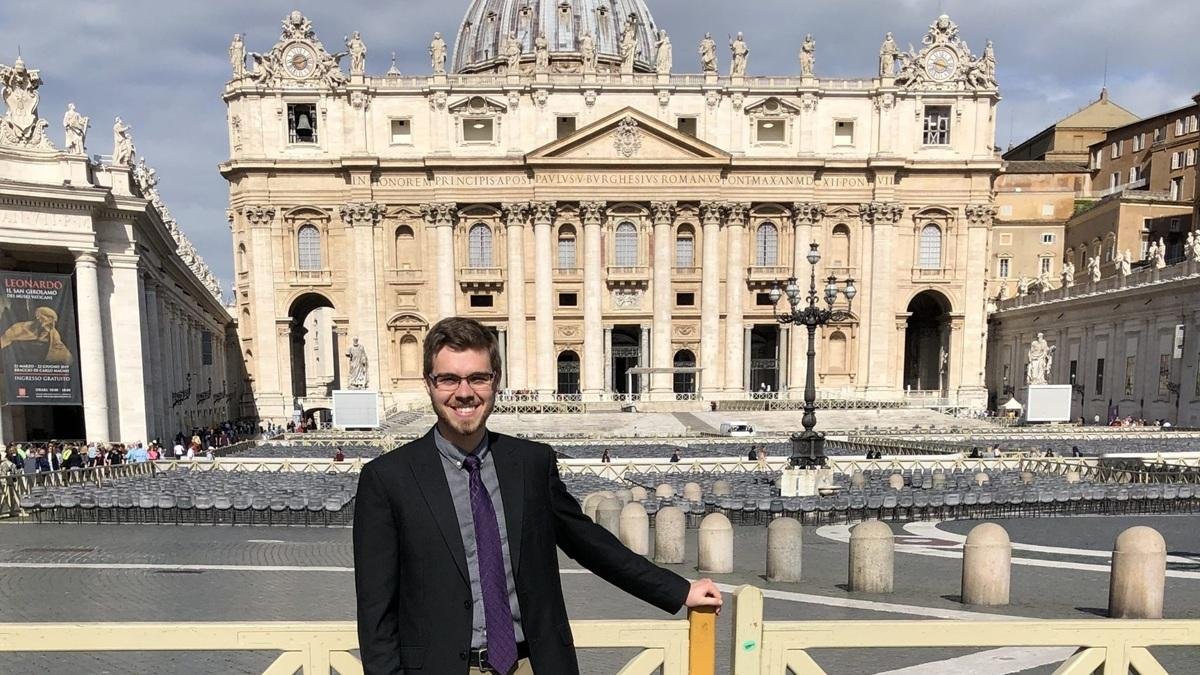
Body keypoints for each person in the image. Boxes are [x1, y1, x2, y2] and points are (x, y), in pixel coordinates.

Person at [354, 317, 722, 675]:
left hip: (532, 663)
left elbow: (589, 543)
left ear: (495, 381)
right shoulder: (387, 479)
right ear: (429, 383)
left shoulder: (531, 463)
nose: (464, 392)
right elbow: (376, 612)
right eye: (449, 378)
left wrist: (678, 589)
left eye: (477, 378)